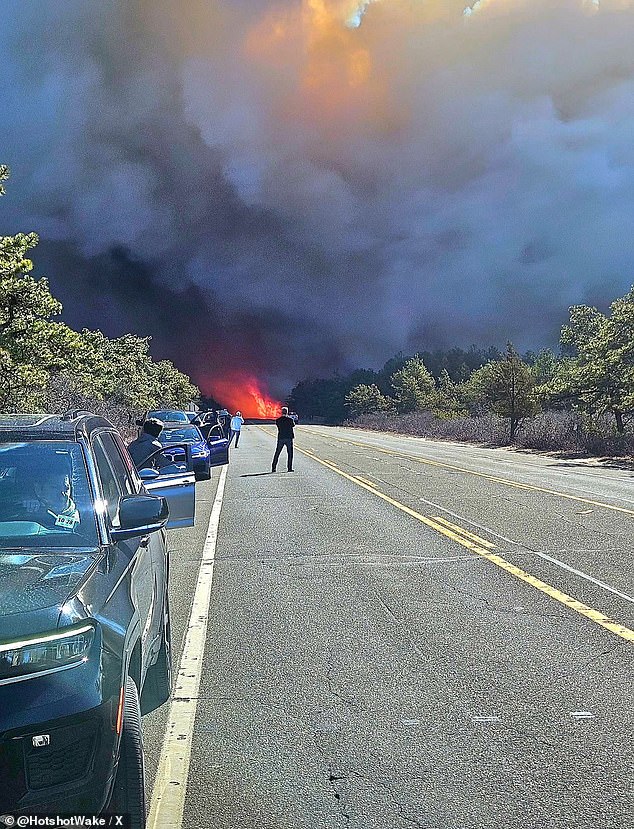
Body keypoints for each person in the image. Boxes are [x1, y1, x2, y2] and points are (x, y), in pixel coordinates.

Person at [20, 452, 81, 530]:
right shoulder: (23, 508)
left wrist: (45, 514)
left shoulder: (80, 515)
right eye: (55, 488)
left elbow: (72, 525)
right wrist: (29, 510)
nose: (62, 494)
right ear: (38, 489)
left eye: (66, 488)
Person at [271, 406, 295, 472]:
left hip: (281, 437)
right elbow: (293, 425)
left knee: (277, 453)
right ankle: (289, 468)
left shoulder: (278, 420)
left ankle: (273, 468)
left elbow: (278, 425)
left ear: (281, 412)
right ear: (287, 412)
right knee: (290, 453)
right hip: (289, 438)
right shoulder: (290, 420)